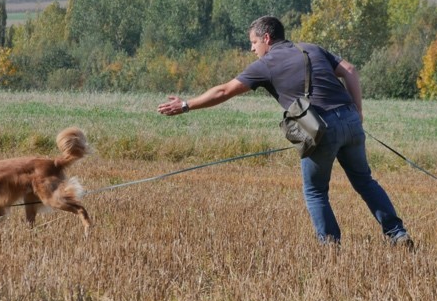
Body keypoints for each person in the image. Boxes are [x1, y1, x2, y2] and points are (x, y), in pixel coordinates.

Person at [158, 16, 413, 249]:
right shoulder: (311, 48)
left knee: (315, 191)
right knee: (365, 182)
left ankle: (331, 248)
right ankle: (398, 234)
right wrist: (357, 111)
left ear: (266, 38)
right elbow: (350, 70)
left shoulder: (266, 64)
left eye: (253, 42)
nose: (252, 48)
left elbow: (224, 91)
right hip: (350, 119)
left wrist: (185, 105)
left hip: (320, 127)